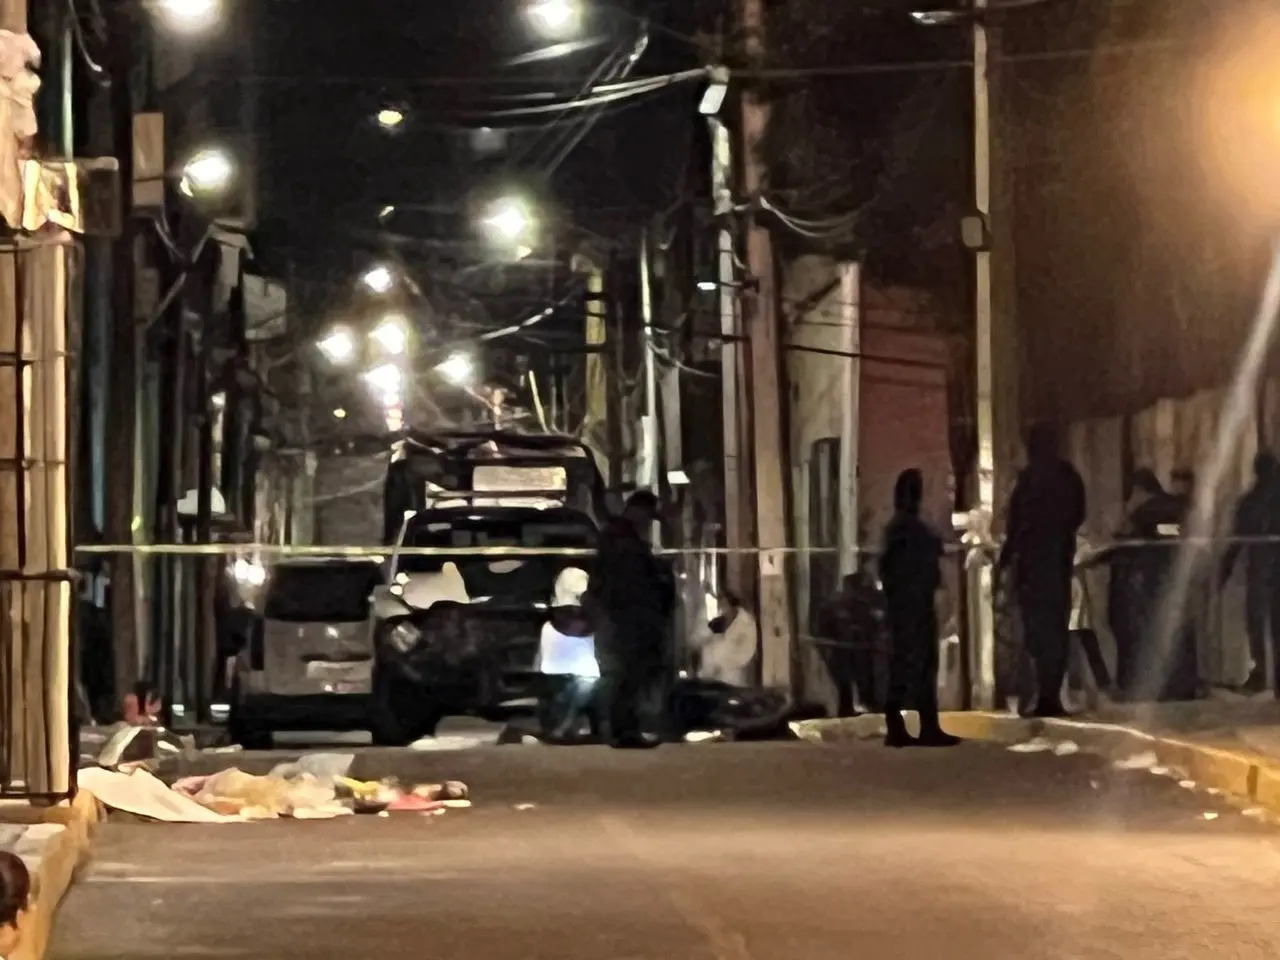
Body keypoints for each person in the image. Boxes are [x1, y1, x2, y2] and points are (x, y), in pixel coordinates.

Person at [998, 423, 1086, 717]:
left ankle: (1039, 696)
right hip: (1058, 562)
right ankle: (1051, 694)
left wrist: (1006, 559)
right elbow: (1078, 513)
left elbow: (1016, 523)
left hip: (1032, 566)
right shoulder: (1068, 476)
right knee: (1056, 629)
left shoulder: (1028, 479)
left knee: (1035, 630)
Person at [879, 468, 957, 747]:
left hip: (903, 607)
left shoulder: (897, 529)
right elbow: (926, 557)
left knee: (903, 664)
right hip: (914, 607)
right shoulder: (910, 529)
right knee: (920, 665)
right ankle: (924, 727)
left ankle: (901, 726)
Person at [588, 490, 671, 748]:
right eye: (647, 515)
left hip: (623, 619)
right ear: (637, 510)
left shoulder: (619, 536)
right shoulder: (622, 540)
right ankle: (623, 731)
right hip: (625, 621)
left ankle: (623, 729)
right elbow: (629, 585)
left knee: (625, 677)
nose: (648, 521)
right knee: (625, 676)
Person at [1222, 452, 1280, 694]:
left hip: (1263, 568)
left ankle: (1263, 673)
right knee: (1263, 623)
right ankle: (1265, 674)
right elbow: (1239, 537)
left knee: (1259, 623)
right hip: (1263, 567)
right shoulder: (1252, 500)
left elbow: (1238, 539)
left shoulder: (1252, 500)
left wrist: (1225, 568)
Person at [536, 567, 601, 743]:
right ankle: (565, 725)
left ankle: (566, 725)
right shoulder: (564, 618)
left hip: (576, 670)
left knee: (584, 683)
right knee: (585, 683)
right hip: (563, 671)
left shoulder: (561, 615)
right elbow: (578, 630)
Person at [692, 590, 757, 688]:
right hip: (713, 674)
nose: (723, 609)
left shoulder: (746, 624)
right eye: (721, 605)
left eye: (725, 605)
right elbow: (702, 638)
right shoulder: (719, 622)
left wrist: (726, 663)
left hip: (732, 674)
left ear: (732, 605)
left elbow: (747, 650)